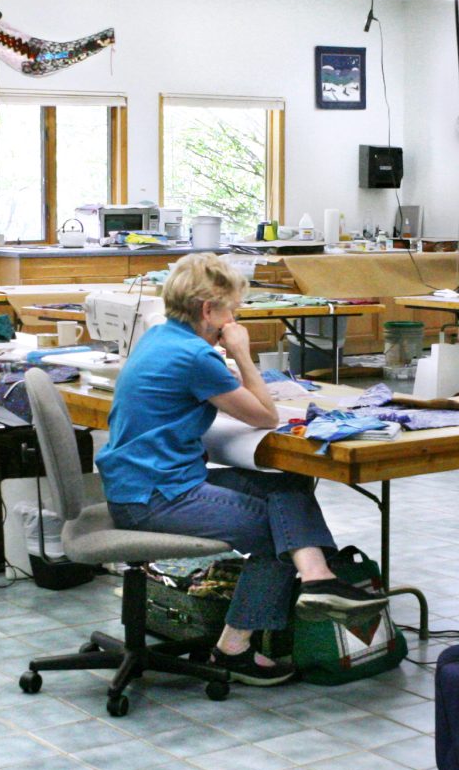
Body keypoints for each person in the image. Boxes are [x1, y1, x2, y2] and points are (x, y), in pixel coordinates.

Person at [100, 253, 381, 682]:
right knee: (278, 534)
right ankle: (234, 648)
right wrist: (243, 353)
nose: (236, 317)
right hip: (155, 497)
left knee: (288, 484)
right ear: (209, 310)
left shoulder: (159, 337)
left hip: (145, 484)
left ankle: (316, 577)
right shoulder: (197, 357)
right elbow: (266, 417)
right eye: (232, 308)